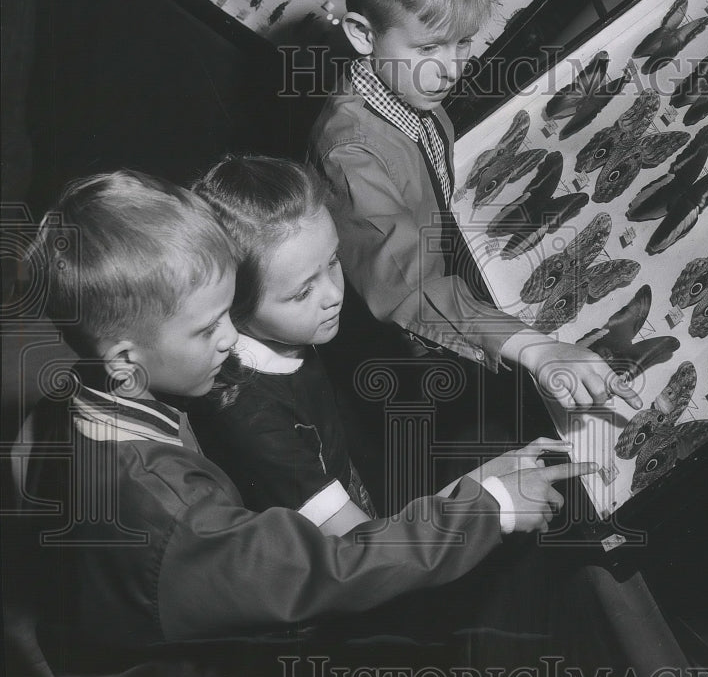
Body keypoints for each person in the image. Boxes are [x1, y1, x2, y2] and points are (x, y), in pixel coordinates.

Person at [10, 169, 593, 677]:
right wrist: (489, 506)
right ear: (124, 360)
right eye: (209, 326)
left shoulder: (71, 403)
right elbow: (332, 568)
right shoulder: (176, 520)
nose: (229, 337)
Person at [307, 0, 642, 415]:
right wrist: (538, 347)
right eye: (429, 48)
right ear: (361, 34)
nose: (451, 70)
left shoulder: (409, 90)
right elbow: (409, 289)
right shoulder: (352, 152)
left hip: (449, 292)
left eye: (464, 42)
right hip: (401, 348)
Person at [188, 153, 571, 526]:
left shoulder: (286, 329)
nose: (334, 294)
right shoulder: (254, 426)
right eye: (303, 292)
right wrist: (490, 499)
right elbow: (357, 550)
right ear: (231, 304)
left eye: (333, 261)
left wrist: (485, 481)